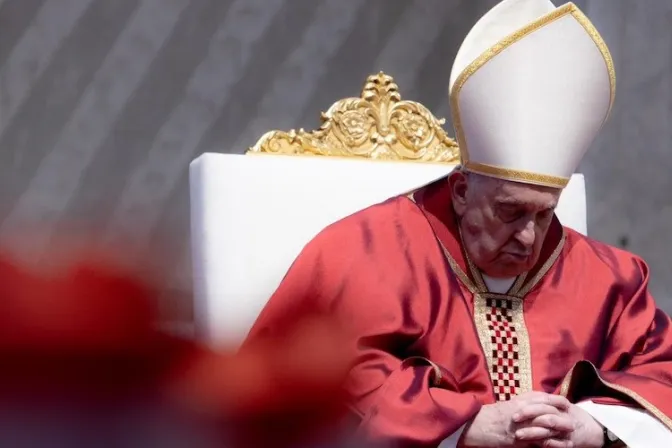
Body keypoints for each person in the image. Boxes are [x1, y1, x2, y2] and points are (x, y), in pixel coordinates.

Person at [245, 0, 672, 447]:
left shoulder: (612, 280)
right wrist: (460, 425)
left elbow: (660, 373)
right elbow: (310, 371)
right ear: (462, 191)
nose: (528, 236)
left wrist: (596, 428)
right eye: (511, 211)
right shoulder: (363, 251)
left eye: (544, 214)